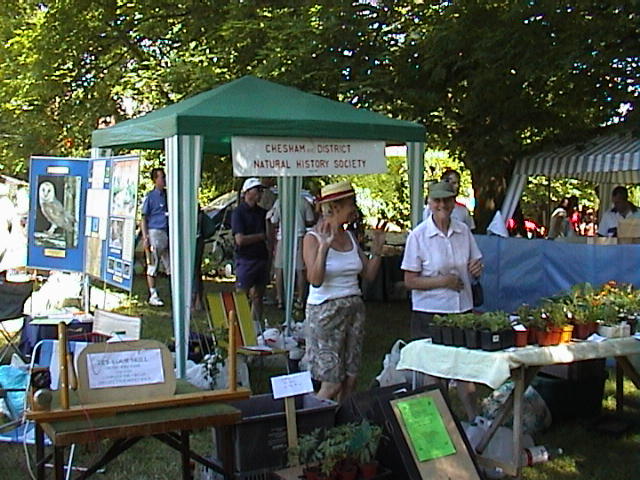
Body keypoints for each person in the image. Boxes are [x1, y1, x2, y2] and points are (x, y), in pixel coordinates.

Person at [402, 180, 483, 421]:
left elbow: (476, 263)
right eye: (437, 200)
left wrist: (476, 268)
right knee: (435, 371)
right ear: (429, 202)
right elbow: (410, 281)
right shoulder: (418, 236)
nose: (442, 205)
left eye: (447, 200)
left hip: (461, 309)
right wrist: (443, 281)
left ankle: (475, 421)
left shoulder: (463, 231)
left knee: (464, 369)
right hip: (430, 312)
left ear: (454, 202)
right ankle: (437, 423)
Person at [303, 181, 384, 401]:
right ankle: (315, 426)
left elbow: (368, 275)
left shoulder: (349, 236)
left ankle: (342, 428)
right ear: (335, 207)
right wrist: (324, 248)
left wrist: (377, 251)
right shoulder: (312, 238)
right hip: (326, 314)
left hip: (354, 311)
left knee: (350, 379)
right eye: (351, 204)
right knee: (332, 383)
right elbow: (315, 280)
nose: (354, 209)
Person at [267, 192, 316, 309]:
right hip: (299, 236)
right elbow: (310, 220)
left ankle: (280, 298)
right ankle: (300, 298)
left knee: (279, 268)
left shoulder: (280, 202)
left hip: (283, 237)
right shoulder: (303, 201)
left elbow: (274, 220)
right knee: (300, 269)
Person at [232, 177, 270, 327]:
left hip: (261, 258)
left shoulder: (263, 213)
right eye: (257, 190)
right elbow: (239, 240)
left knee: (258, 296)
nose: (260, 193)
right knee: (242, 295)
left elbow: (270, 235)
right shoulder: (238, 213)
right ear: (248, 192)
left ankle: (256, 327)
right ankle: (238, 326)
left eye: (261, 190)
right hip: (246, 259)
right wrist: (261, 237)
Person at [141, 168, 170, 306]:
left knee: (170, 265)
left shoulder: (168, 195)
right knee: (153, 264)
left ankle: (176, 294)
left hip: (168, 232)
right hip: (155, 232)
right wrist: (146, 237)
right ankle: (153, 294)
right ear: (155, 180)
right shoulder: (150, 197)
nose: (164, 180)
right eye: (161, 177)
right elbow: (143, 218)